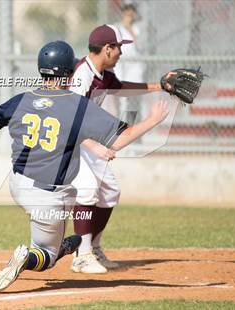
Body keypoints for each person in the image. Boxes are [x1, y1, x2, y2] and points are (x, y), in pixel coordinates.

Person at [0, 41, 169, 292]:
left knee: (72, 203)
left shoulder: (21, 100)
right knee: (46, 255)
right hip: (46, 196)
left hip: (17, 184)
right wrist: (153, 120)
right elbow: (120, 139)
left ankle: (71, 244)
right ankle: (32, 257)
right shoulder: (77, 105)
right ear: (69, 72)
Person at [69, 24, 172, 274]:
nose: (121, 53)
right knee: (87, 189)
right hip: (70, 144)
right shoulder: (82, 75)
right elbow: (69, 119)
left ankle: (93, 247)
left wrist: (159, 86)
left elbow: (122, 88)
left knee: (110, 191)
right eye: (118, 48)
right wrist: (94, 147)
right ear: (107, 49)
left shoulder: (102, 73)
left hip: (86, 140)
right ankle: (81, 256)